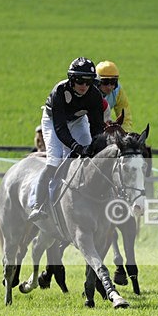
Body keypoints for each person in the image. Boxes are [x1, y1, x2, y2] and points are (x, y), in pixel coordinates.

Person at [29, 57, 105, 222]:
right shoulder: (60, 91)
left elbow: (97, 127)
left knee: (89, 156)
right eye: (80, 81)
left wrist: (95, 147)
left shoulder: (94, 95)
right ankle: (37, 204)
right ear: (71, 79)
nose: (84, 86)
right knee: (54, 161)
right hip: (54, 121)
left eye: (89, 82)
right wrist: (76, 148)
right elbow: (60, 129)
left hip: (78, 120)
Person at [95, 60, 133, 131]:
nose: (109, 87)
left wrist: (125, 134)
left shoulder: (118, 91)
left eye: (113, 82)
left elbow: (125, 117)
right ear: (97, 81)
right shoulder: (87, 91)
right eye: (105, 82)